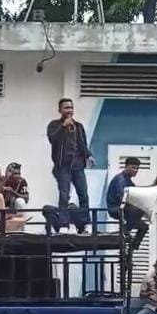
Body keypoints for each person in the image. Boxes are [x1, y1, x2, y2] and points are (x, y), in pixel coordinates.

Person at [46, 98, 95, 233]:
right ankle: (64, 224)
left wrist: (89, 155)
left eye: (71, 108)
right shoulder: (54, 125)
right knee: (64, 195)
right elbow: (52, 139)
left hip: (78, 165)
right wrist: (63, 127)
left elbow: (83, 144)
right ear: (60, 110)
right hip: (63, 166)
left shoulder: (78, 126)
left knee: (83, 194)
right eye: (66, 108)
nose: (69, 110)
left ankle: (86, 223)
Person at [106, 157, 157, 250]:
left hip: (124, 209)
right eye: (133, 167)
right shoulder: (120, 180)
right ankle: (124, 230)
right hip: (116, 208)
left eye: (137, 168)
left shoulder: (128, 181)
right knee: (138, 210)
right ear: (126, 167)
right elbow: (122, 197)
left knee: (143, 227)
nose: (136, 170)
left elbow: (136, 194)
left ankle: (132, 248)